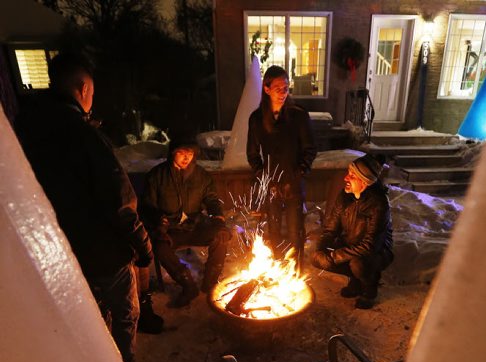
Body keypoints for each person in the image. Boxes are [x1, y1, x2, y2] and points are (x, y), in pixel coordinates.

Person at [15, 52, 161, 362]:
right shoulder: (83, 135)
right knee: (125, 315)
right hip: (103, 252)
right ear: (82, 88)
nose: (92, 98)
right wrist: (142, 245)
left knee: (88, 319)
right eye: (92, 91)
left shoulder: (25, 130)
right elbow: (119, 199)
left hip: (58, 252)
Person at [140, 133, 231, 306]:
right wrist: (158, 220)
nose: (186, 157)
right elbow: (146, 205)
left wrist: (218, 215)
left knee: (221, 235)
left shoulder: (201, 175)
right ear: (173, 153)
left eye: (190, 153)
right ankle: (188, 285)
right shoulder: (157, 176)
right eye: (182, 152)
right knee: (159, 247)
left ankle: (210, 283)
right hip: (170, 229)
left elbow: (211, 199)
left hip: (194, 224)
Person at [246, 65, 317, 274]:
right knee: (274, 229)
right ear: (266, 89)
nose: (283, 92)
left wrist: (299, 174)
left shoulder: (298, 116)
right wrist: (264, 177)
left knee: (295, 231)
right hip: (271, 186)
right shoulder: (257, 119)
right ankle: (278, 270)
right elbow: (252, 154)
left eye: (286, 87)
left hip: (293, 184)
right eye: (278, 87)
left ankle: (296, 272)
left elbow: (310, 148)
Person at [312, 154, 394, 309]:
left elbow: (370, 246)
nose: (345, 179)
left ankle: (369, 289)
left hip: (375, 252)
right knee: (316, 258)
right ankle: (355, 281)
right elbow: (330, 229)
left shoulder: (378, 204)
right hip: (350, 244)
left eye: (352, 176)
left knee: (358, 264)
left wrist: (335, 256)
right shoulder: (345, 196)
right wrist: (321, 250)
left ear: (364, 181)